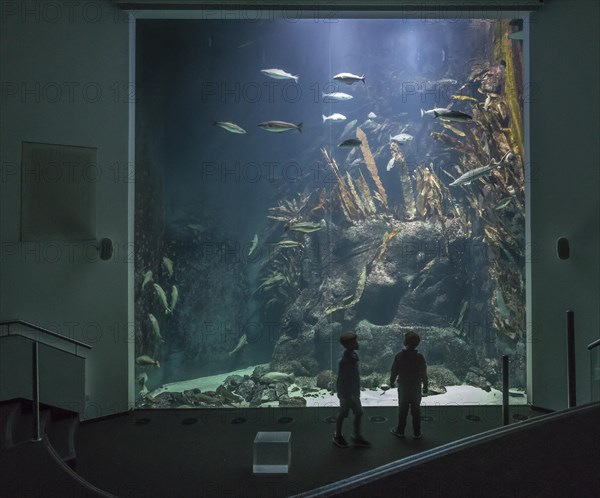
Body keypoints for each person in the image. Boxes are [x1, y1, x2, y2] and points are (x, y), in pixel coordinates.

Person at [333, 332, 370, 448]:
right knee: (343, 414)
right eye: (355, 342)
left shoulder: (353, 356)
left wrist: (356, 392)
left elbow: (354, 377)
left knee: (359, 412)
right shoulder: (344, 361)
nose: (357, 343)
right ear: (349, 345)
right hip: (346, 394)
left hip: (353, 393)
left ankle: (356, 435)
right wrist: (345, 395)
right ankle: (337, 436)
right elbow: (342, 379)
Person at [389, 331, 428, 439]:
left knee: (402, 410)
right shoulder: (420, 357)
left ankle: (400, 431)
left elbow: (394, 371)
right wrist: (425, 386)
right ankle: (417, 432)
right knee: (416, 411)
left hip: (403, 387)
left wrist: (391, 381)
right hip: (415, 387)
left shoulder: (399, 356)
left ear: (405, 342)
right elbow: (424, 373)